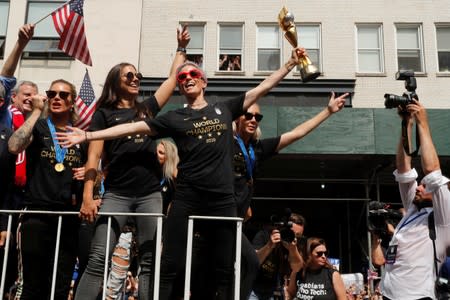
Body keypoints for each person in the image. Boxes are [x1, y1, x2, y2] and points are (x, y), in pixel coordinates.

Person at [56, 46, 307, 299]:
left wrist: (289, 65)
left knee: (224, 267)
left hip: (221, 199)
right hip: (187, 198)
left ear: (203, 82)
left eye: (192, 75)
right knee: (168, 265)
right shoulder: (174, 118)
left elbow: (261, 88)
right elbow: (130, 129)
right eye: (182, 78)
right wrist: (88, 134)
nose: (187, 79)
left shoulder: (224, 109)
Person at [73, 26, 190, 300]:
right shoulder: (103, 115)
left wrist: (180, 48)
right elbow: (93, 158)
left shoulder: (146, 110)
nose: (136, 78)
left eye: (138, 74)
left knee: (149, 263)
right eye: (129, 75)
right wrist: (88, 197)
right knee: (99, 259)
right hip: (117, 195)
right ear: (116, 81)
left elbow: (172, 79)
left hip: (150, 195)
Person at [234, 92, 347, 300]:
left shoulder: (257, 149)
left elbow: (295, 134)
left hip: (270, 289)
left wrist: (328, 111)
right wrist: (270, 244)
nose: (253, 120)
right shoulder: (266, 233)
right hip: (250, 285)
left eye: (257, 117)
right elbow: (254, 261)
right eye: (248, 115)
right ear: (236, 118)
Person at [8, 79, 86, 300]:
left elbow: (92, 172)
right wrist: (35, 112)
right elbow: (14, 146)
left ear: (72, 102)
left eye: (63, 95)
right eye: (52, 94)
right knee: (32, 284)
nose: (57, 98)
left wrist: (92, 174)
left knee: (60, 285)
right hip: (36, 213)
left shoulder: (80, 135)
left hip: (68, 217)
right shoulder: (39, 126)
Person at [379, 100, 450, 300]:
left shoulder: (444, 217)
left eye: (424, 186)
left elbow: (433, 173)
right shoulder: (415, 208)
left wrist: (423, 124)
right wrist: (407, 124)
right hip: (388, 295)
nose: (419, 186)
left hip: (418, 297)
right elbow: (404, 169)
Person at [0, 24, 34, 127]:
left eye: (34, 96)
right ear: (13, 97)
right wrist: (21, 44)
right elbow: (5, 80)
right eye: (27, 94)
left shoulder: (39, 122)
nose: (31, 98)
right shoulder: (4, 113)